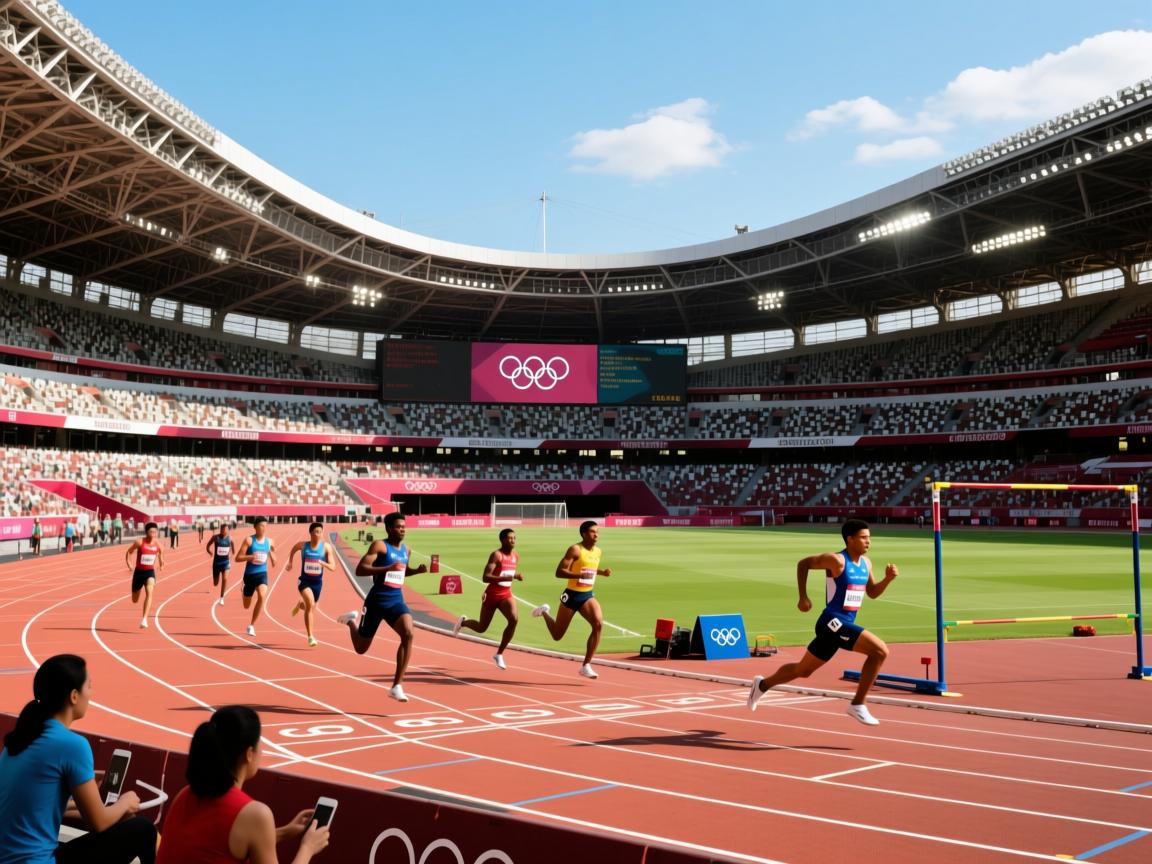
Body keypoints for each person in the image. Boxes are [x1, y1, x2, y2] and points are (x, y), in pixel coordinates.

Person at [0, 654, 157, 863]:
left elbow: (36, 803)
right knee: (143, 830)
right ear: (74, 696)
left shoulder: (19, 739)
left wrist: (83, 782)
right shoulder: (72, 745)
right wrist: (125, 803)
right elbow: (98, 823)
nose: (91, 695)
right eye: (89, 686)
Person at [748, 518, 897, 726]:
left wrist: (887, 579)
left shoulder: (866, 563)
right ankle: (858, 703)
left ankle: (762, 685)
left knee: (803, 670)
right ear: (850, 539)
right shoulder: (836, 560)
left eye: (869, 538)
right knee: (880, 651)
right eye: (863, 538)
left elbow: (871, 592)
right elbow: (803, 564)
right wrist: (803, 597)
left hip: (842, 624)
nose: (868, 542)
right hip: (831, 621)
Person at [155, 705, 328, 864]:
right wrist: (308, 848)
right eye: (259, 743)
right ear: (249, 753)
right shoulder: (255, 815)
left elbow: (216, 847)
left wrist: (284, 832)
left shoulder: (185, 795)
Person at [337, 512, 427, 702]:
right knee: (361, 648)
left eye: (404, 526)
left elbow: (402, 571)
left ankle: (397, 686)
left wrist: (416, 571)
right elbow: (360, 569)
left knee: (408, 634)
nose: (402, 529)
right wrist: (387, 568)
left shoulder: (406, 550)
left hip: (396, 601)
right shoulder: (380, 546)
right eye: (398, 526)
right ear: (388, 528)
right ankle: (351, 622)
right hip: (376, 601)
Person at [531, 520, 611, 679]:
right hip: (572, 595)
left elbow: (590, 569)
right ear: (584, 534)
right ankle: (544, 612)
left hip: (587, 595)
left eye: (598, 532)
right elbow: (559, 572)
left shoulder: (598, 551)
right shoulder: (575, 549)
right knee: (557, 635)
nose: (596, 535)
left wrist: (602, 572)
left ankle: (586, 665)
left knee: (598, 624)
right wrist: (579, 575)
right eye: (593, 532)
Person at [452, 528, 522, 669]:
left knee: (514, 620)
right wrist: (509, 577)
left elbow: (507, 577)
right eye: (510, 538)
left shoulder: (516, 556)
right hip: (492, 594)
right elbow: (486, 577)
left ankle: (499, 654)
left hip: (506, 593)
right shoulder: (496, 555)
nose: (513, 540)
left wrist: (511, 578)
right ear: (502, 540)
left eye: (514, 538)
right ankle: (463, 622)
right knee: (482, 628)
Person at [287, 523, 335, 648]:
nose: (319, 534)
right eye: (316, 532)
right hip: (304, 581)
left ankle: (300, 605)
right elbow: (294, 548)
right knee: (310, 603)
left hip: (317, 584)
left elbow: (333, 567)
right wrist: (290, 562)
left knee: (310, 607)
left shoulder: (326, 547)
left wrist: (323, 563)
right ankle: (310, 636)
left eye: (321, 532)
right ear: (311, 533)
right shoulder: (303, 546)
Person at [235, 517, 276, 638]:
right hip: (249, 576)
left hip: (262, 574)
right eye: (261, 526)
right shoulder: (249, 540)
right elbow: (238, 558)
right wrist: (250, 557)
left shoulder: (270, 541)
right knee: (246, 605)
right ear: (255, 527)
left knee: (262, 596)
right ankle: (244, 590)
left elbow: (273, 554)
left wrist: (273, 558)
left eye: (265, 526)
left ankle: (251, 625)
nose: (264, 528)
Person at [124, 522, 164, 629]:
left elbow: (161, 555)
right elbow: (129, 552)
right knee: (135, 600)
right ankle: (139, 589)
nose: (153, 534)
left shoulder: (159, 545)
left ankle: (144, 619)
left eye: (155, 532)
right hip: (138, 573)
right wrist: (129, 563)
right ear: (146, 532)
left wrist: (161, 564)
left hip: (149, 572)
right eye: (151, 532)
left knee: (150, 592)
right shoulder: (139, 542)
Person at [205, 523, 233, 607]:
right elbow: (207, 546)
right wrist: (210, 552)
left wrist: (230, 558)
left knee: (225, 579)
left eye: (226, 530)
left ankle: (222, 598)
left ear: (228, 530)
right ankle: (216, 579)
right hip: (216, 564)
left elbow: (234, 551)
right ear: (220, 530)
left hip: (226, 563)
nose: (224, 531)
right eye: (222, 529)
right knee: (215, 583)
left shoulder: (230, 539)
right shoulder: (215, 537)